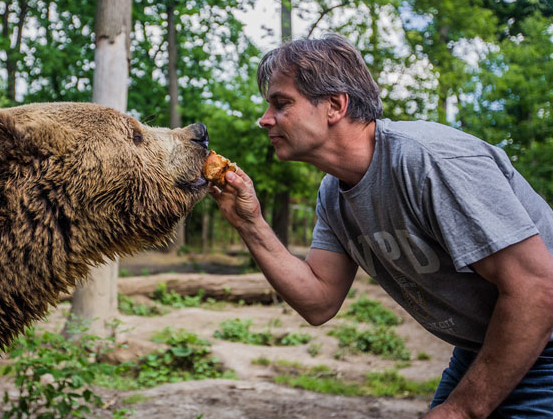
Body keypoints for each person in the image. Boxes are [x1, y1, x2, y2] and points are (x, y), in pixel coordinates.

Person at [209, 33, 553, 418]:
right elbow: (318, 301)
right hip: (486, 345)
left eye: (281, 103)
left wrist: (461, 410)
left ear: (335, 105)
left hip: (541, 341)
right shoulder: (333, 193)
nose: (265, 119)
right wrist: (249, 222)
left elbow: (538, 288)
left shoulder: (429, 160)